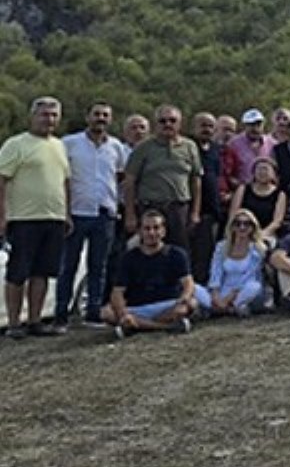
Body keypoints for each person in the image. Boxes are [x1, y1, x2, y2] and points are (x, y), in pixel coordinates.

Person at [0, 96, 71, 339]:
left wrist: (67, 213)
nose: (48, 119)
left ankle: (35, 320)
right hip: (23, 218)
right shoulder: (16, 144)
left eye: (53, 115)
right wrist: (2, 215)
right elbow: (2, 179)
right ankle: (13, 323)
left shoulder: (60, 146)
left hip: (54, 218)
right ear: (33, 116)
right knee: (17, 273)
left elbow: (65, 181)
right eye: (44, 114)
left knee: (42, 272)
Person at [57, 101, 129, 329]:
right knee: (68, 265)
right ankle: (61, 314)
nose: (101, 118)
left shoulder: (116, 147)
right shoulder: (69, 144)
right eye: (97, 114)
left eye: (105, 115)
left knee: (99, 266)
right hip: (76, 212)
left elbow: (121, 176)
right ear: (87, 117)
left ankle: (93, 312)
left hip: (104, 213)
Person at [102, 209, 195, 338]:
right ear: (140, 232)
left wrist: (183, 300)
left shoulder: (177, 254)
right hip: (138, 307)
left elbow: (188, 283)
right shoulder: (128, 258)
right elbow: (117, 291)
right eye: (147, 228)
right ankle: (167, 326)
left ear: (163, 231)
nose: (151, 233)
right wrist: (122, 313)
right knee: (106, 313)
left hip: (168, 304)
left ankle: (137, 326)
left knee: (190, 304)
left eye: (156, 228)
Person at [122, 105, 203, 249]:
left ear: (180, 123)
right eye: (163, 121)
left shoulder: (190, 146)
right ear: (155, 124)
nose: (168, 124)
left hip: (178, 209)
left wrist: (195, 213)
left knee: (179, 252)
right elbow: (130, 182)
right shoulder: (143, 147)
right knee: (148, 253)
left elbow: (195, 180)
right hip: (150, 207)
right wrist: (130, 215)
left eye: (172, 120)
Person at [192, 208, 268, 317]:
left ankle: (220, 309)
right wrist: (215, 293)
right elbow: (215, 271)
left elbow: (251, 276)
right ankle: (227, 310)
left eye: (247, 224)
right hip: (222, 289)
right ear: (232, 227)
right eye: (238, 224)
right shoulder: (222, 247)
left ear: (253, 227)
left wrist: (231, 297)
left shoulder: (258, 250)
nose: (242, 227)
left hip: (243, 290)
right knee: (193, 287)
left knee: (254, 287)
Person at [189, 111, 225, 283]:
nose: (207, 130)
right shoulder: (187, 147)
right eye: (203, 125)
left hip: (212, 210)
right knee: (193, 254)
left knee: (208, 254)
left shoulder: (216, 150)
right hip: (192, 210)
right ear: (194, 127)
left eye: (211, 126)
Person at [230, 157, 287, 244]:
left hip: (266, 234)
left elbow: (277, 222)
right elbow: (233, 214)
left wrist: (260, 235)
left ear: (274, 174)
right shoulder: (243, 189)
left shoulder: (280, 194)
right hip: (241, 231)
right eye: (259, 169)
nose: (262, 172)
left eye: (266, 169)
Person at [221, 109, 276, 192]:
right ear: (244, 126)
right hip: (242, 190)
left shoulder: (273, 144)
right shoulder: (233, 144)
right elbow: (228, 172)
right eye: (251, 125)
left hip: (267, 191)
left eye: (258, 124)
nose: (255, 128)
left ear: (263, 125)